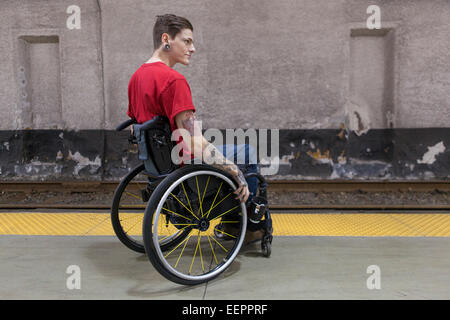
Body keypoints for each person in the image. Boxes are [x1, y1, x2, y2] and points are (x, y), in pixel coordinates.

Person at [126, 14, 264, 243]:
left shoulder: (137, 78)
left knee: (225, 148)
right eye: (187, 41)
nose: (193, 48)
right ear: (166, 39)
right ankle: (243, 225)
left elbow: (134, 127)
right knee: (246, 153)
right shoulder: (174, 81)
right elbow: (193, 143)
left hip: (157, 170)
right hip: (185, 169)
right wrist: (234, 171)